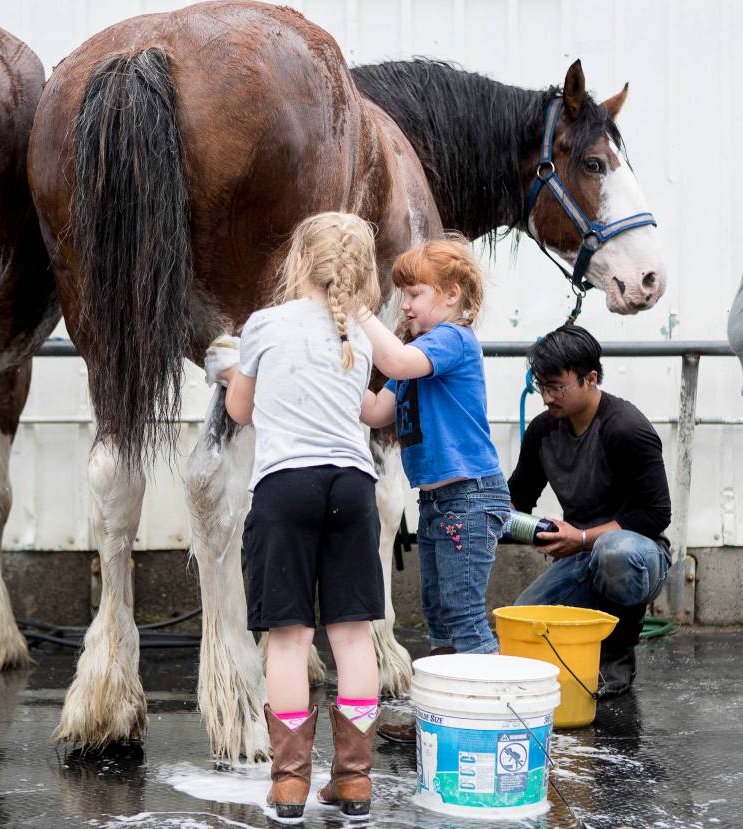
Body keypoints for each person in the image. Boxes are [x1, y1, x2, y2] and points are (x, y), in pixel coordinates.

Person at [207, 212, 384, 819]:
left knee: (287, 639)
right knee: (354, 636)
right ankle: (355, 781)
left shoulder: (263, 326)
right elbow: (357, 407)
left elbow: (240, 410)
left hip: (286, 487)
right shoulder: (360, 336)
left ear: (298, 262)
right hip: (354, 486)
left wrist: (228, 369)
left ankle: (289, 785)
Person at [356, 235, 510, 741]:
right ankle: (441, 722)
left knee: (464, 618)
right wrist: (341, 358)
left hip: (470, 497)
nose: (405, 304)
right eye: (402, 295)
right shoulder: (418, 354)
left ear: (452, 297)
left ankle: (494, 723)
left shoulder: (453, 340)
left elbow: (397, 363)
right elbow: (374, 411)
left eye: (415, 293)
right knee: (440, 619)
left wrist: (360, 312)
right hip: (439, 502)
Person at [508, 324, 672, 697]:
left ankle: (617, 654)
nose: (547, 397)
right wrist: (489, 515)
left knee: (614, 552)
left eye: (556, 386)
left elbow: (655, 514)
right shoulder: (543, 431)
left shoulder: (627, 429)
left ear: (590, 378)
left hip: (640, 554)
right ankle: (583, 653)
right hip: (581, 556)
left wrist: (582, 538)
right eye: (541, 387)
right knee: (525, 617)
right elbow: (519, 495)